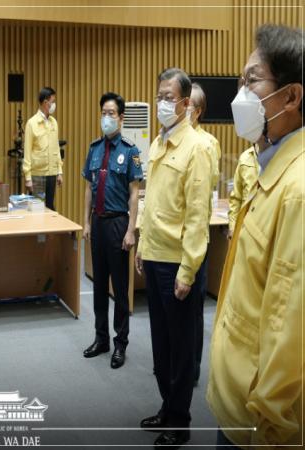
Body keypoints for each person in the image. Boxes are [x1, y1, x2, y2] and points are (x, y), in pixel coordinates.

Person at [208, 24, 303, 449]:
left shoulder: (298, 190)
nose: (240, 95)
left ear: (291, 96)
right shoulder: (271, 166)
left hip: (256, 423)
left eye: (252, 81)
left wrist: (268, 430)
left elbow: (290, 327)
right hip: (235, 397)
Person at [135, 67, 211, 448]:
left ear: (185, 103)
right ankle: (167, 407)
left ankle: (180, 422)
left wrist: (188, 270)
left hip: (177, 263)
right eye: (159, 96)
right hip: (153, 255)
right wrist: (141, 244)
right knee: (161, 344)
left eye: (169, 97)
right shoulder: (157, 142)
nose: (162, 103)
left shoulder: (197, 147)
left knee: (181, 348)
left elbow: (197, 216)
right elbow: (150, 201)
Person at [81, 92, 142, 369]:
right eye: (103, 113)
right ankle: (101, 338)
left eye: (111, 113)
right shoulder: (94, 148)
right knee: (98, 286)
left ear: (121, 117)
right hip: (98, 222)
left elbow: (134, 194)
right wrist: (86, 222)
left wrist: (131, 230)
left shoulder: (130, 151)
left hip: (118, 224)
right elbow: (88, 189)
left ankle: (120, 343)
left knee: (119, 287)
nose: (106, 118)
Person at [187, 82, 221, 386]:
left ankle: (193, 369)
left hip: (196, 235)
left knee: (194, 308)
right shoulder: (169, 139)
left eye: (187, 105)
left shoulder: (207, 143)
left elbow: (203, 188)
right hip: (171, 239)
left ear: (197, 111)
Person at [23, 86, 63, 210]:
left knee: (50, 207)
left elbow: (56, 148)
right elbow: (27, 152)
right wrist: (28, 177)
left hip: (52, 173)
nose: (54, 104)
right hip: (37, 174)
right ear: (46, 102)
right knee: (37, 209)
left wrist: (59, 171)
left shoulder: (53, 122)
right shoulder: (31, 123)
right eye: (53, 101)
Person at [227, 144, 259, 239]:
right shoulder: (245, 157)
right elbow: (236, 198)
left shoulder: (277, 155)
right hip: (245, 227)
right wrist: (232, 227)